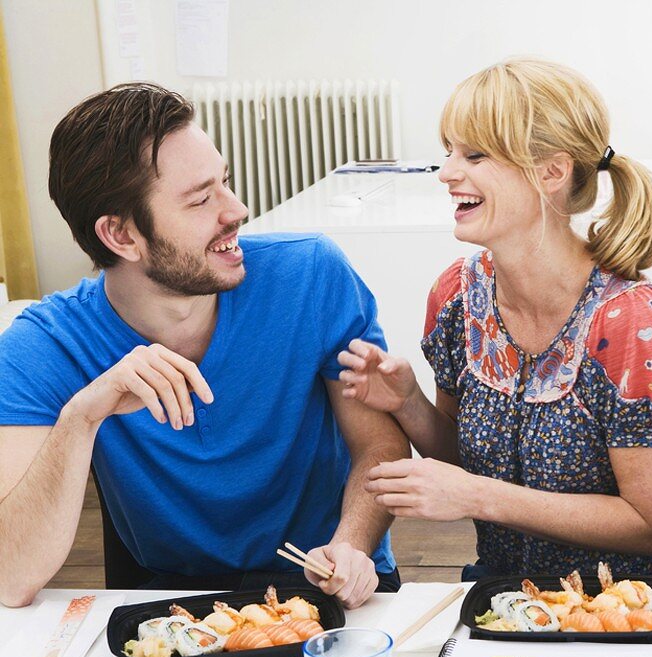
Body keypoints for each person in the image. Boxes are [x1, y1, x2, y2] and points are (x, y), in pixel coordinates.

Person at [0, 83, 409, 608]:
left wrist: (351, 545)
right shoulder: (44, 346)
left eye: (226, 183)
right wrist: (82, 416)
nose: (236, 209)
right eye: (201, 199)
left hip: (331, 588)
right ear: (121, 236)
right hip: (175, 609)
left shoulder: (311, 274)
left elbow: (378, 445)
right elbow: (11, 577)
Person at [337, 58, 652, 593]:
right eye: (448, 151)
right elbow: (464, 460)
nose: (448, 172)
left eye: (474, 155)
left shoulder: (634, 322)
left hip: (639, 599)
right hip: (512, 591)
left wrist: (478, 498)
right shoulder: (456, 296)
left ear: (551, 172)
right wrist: (408, 404)